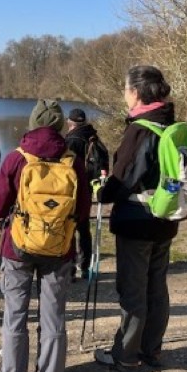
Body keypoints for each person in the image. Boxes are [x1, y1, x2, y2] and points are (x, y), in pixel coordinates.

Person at [0, 100, 91, 372]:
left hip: (17, 248)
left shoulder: (16, 159)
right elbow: (82, 212)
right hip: (59, 249)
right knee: (53, 315)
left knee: (15, 314)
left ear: (32, 123)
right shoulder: (73, 161)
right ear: (60, 126)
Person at [92, 65, 178, 372]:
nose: (124, 95)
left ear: (136, 92)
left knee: (133, 290)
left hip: (137, 221)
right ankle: (151, 350)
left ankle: (126, 356)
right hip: (165, 219)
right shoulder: (170, 124)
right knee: (157, 287)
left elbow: (123, 179)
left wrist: (101, 191)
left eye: (126, 89)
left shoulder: (140, 130)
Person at [64, 108, 109, 281]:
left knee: (69, 228)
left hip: (72, 189)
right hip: (88, 188)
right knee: (84, 228)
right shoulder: (93, 136)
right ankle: (85, 267)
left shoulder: (71, 140)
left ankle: (69, 269)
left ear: (70, 122)